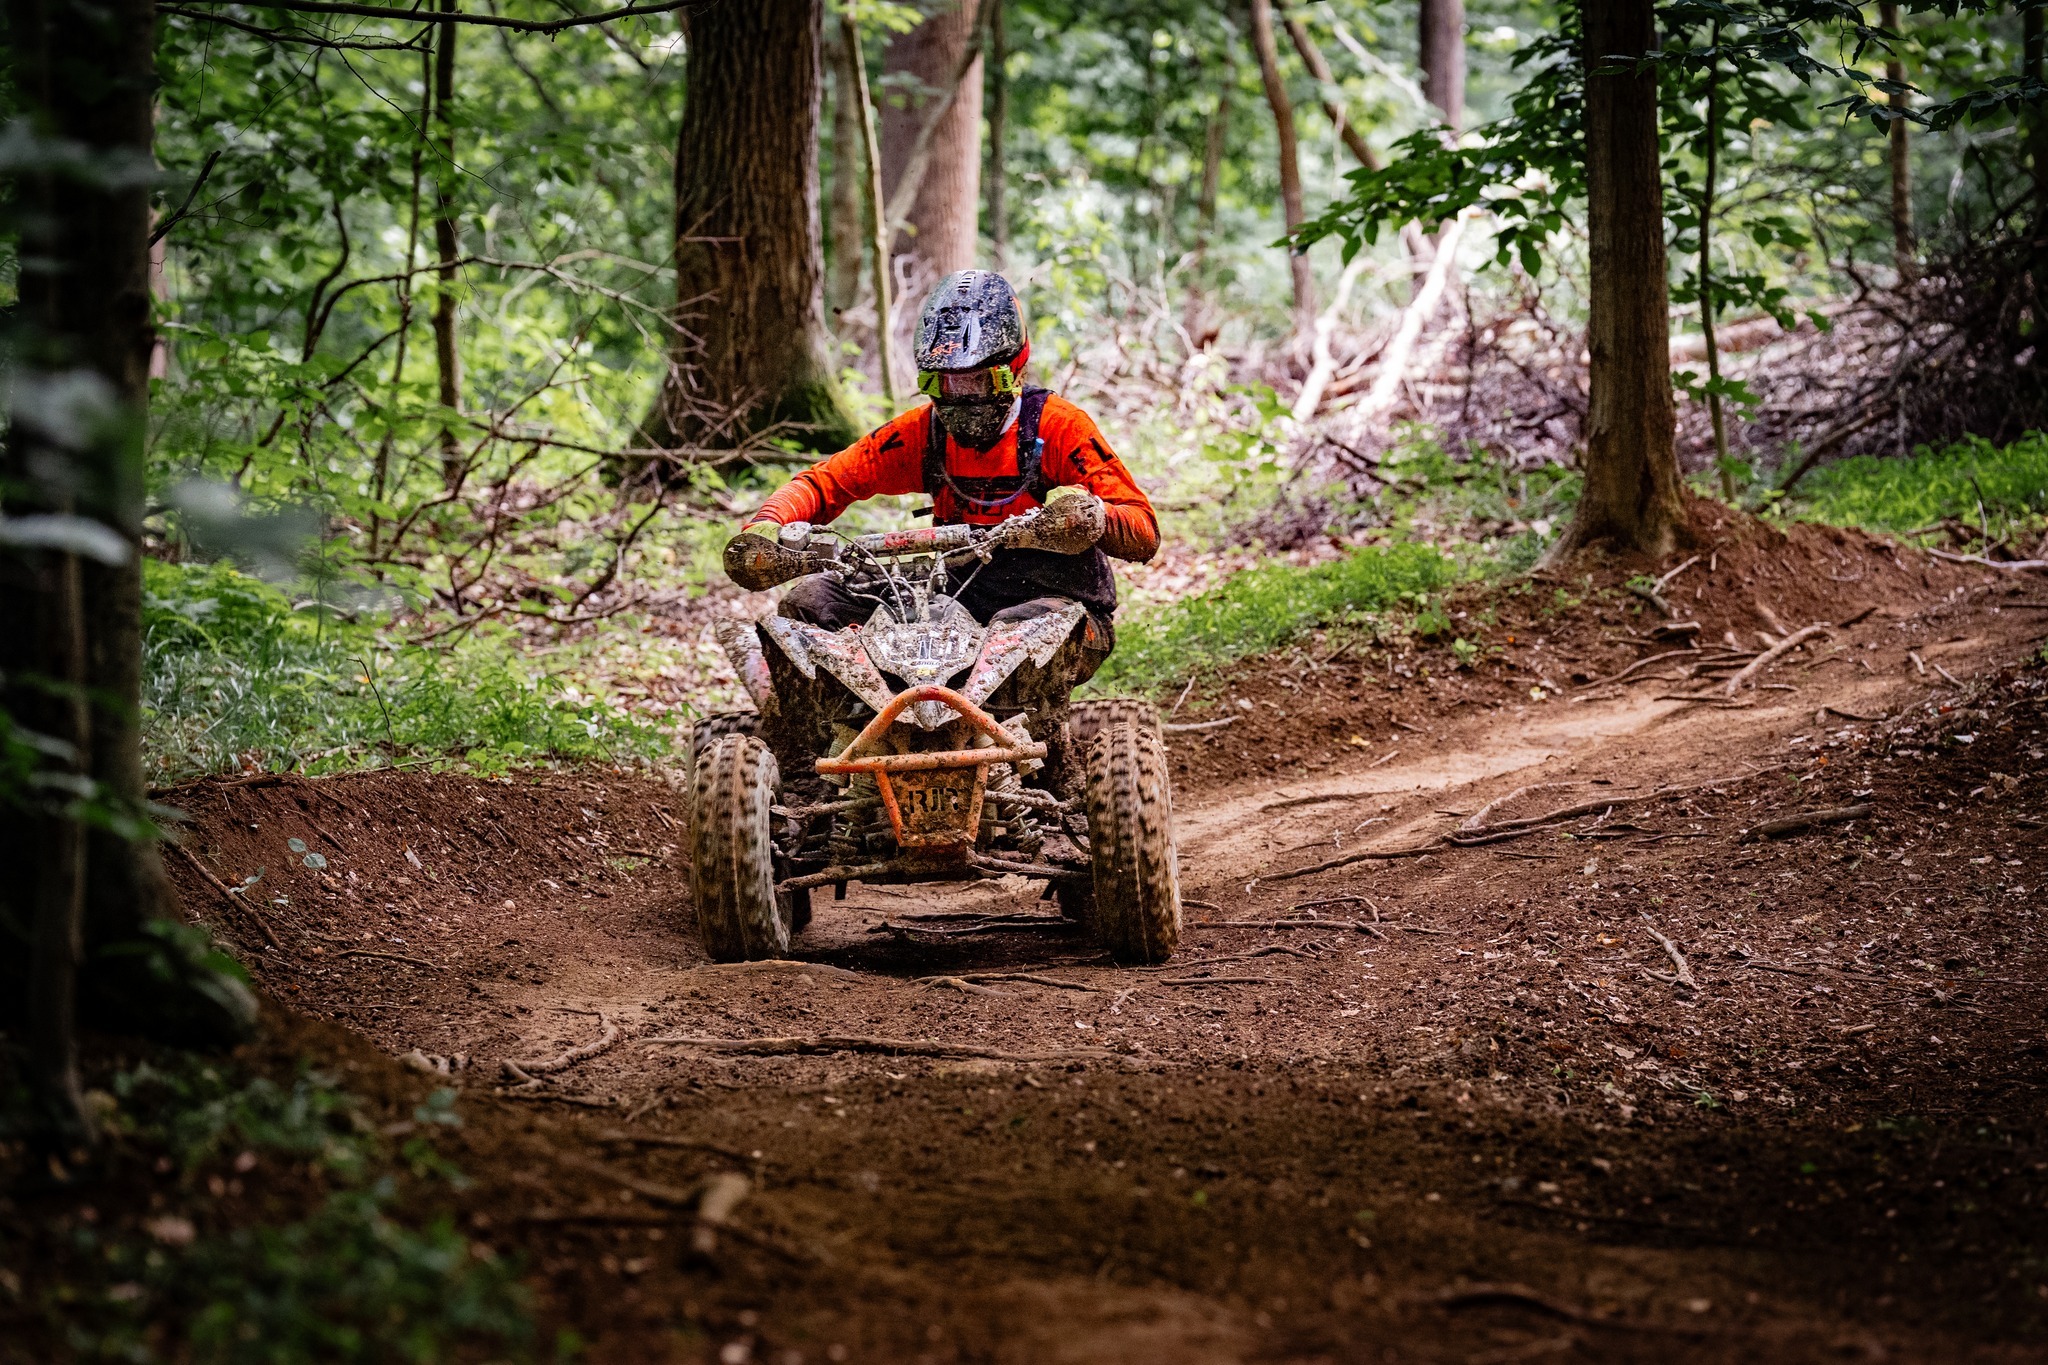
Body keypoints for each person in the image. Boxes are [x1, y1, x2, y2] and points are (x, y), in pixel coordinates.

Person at [725, 269, 1159, 684]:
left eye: (974, 383)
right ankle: (825, 737)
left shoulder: (1059, 429)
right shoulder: (922, 432)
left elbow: (1143, 530)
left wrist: (1093, 517)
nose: (958, 398)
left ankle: (1042, 748)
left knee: (1013, 635)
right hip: (953, 596)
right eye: (942, 383)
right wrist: (767, 524)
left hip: (1059, 603)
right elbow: (827, 481)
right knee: (810, 604)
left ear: (1014, 371)